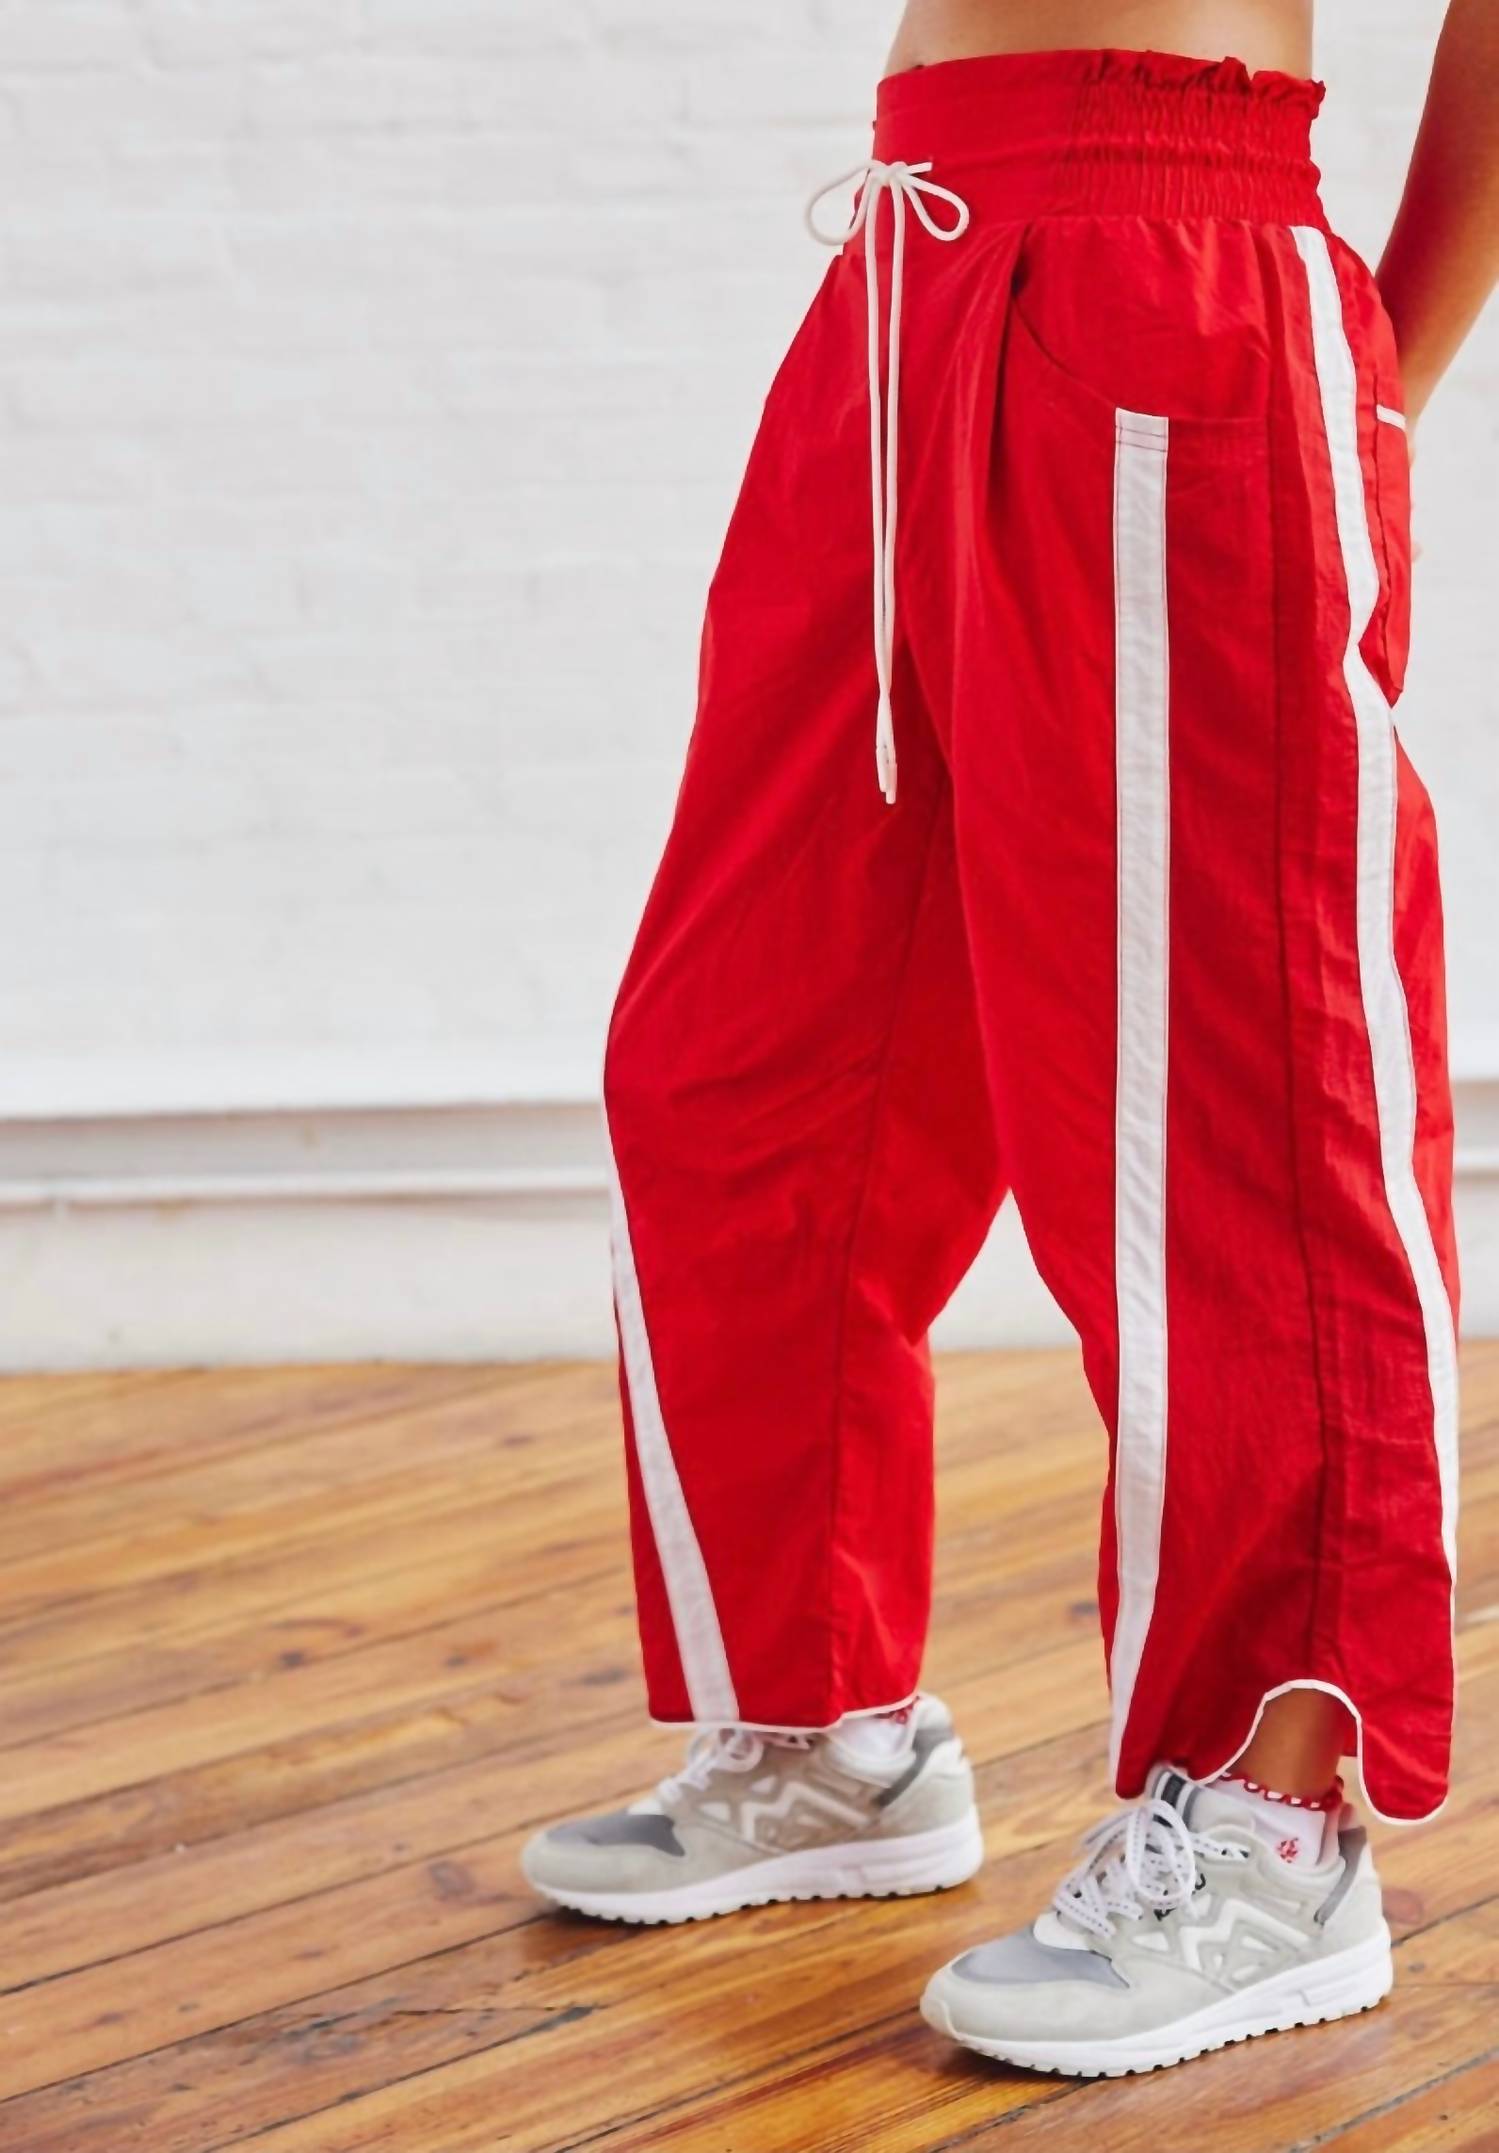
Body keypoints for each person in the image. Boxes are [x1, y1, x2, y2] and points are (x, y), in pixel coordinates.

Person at [522, 0, 1499, 2077]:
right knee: (743, 1050)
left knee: (1239, 1085)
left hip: (1177, 251)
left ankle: (1278, 1818)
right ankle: (825, 1730)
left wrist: (1373, 376)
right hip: (912, 267)